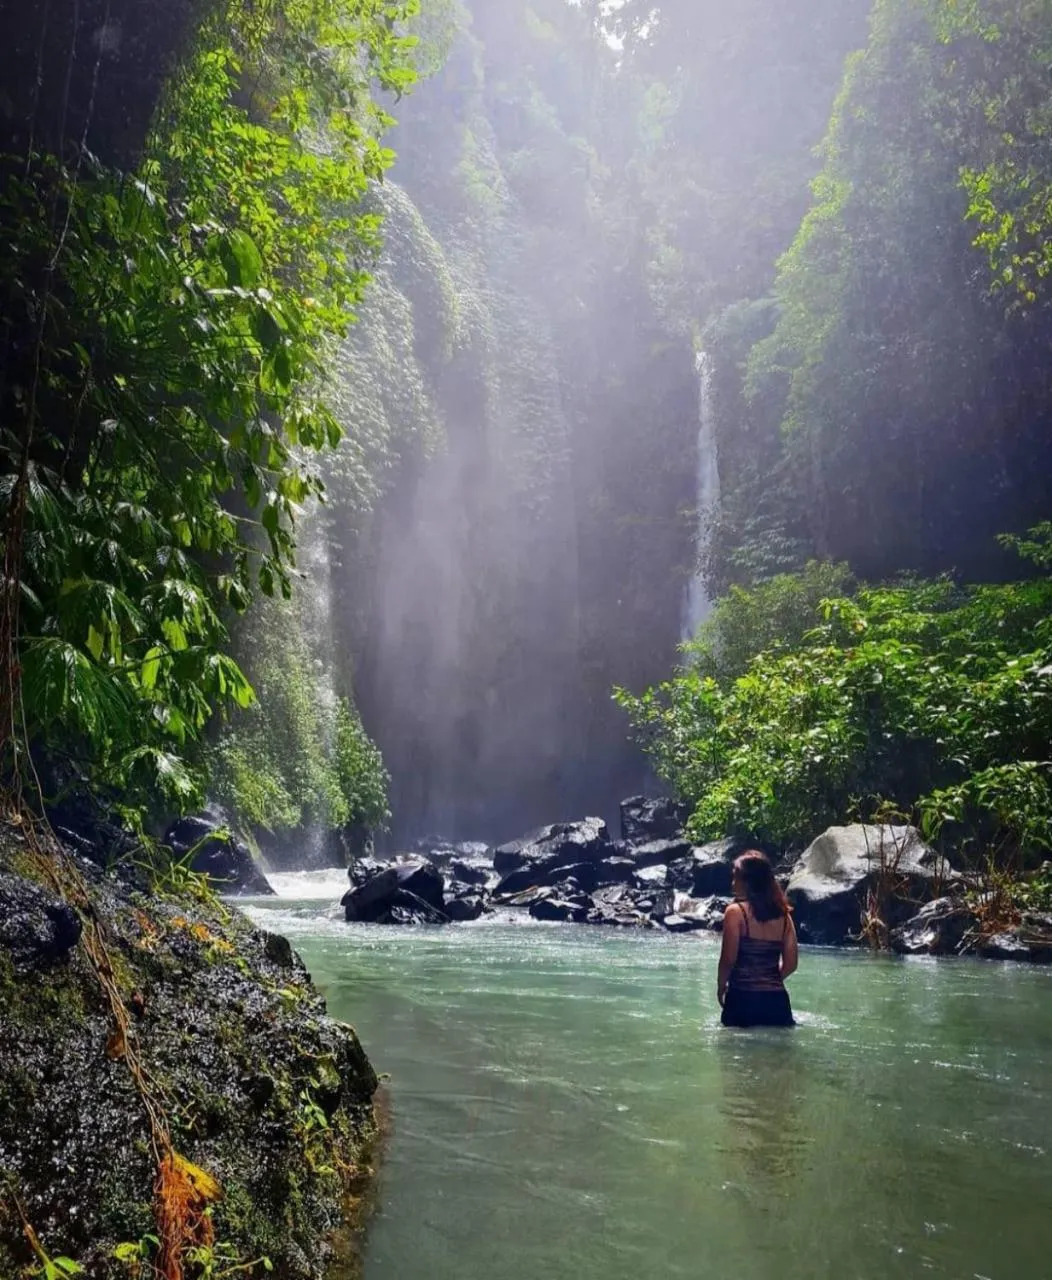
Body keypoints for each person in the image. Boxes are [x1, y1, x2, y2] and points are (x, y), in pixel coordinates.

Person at [717, 851, 798, 1027]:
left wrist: (721, 986)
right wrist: (769, 981)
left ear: (749, 882)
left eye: (736, 878)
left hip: (742, 1000)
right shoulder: (785, 917)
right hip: (777, 1004)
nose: (732, 884)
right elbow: (791, 964)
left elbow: (728, 959)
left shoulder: (735, 912)